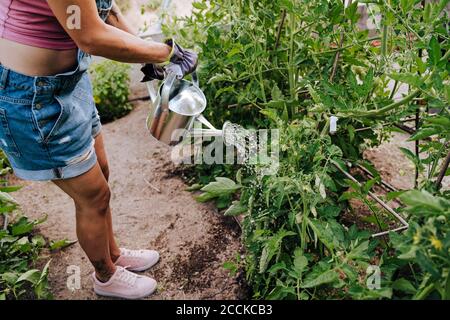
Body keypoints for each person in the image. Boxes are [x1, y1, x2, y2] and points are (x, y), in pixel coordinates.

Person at [0, 0, 197, 299]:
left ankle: (113, 255)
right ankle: (105, 276)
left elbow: (107, 10)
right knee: (94, 195)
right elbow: (91, 37)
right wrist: (166, 52)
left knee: (101, 172)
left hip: (67, 82)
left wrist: (148, 58)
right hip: (32, 98)